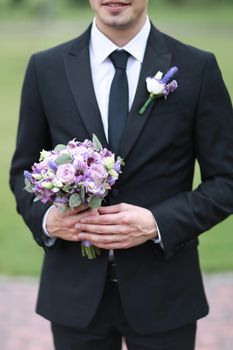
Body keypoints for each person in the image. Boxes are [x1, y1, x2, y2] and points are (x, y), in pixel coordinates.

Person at [10, 1, 233, 349]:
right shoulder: (46, 68)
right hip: (73, 296)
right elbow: (21, 171)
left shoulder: (196, 67)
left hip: (165, 295)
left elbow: (227, 181)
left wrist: (157, 223)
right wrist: (47, 220)